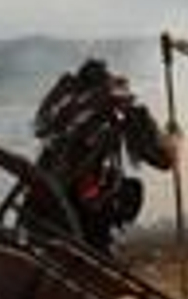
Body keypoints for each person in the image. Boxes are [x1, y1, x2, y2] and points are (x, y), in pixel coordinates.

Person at [31, 57, 180, 251]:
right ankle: (100, 243)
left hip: (42, 199)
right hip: (83, 208)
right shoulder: (117, 108)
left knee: (116, 187)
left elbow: (40, 127)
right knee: (132, 190)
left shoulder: (63, 106)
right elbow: (163, 160)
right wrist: (173, 139)